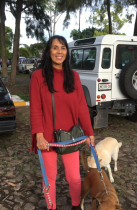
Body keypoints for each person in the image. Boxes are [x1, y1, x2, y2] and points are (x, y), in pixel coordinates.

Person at [29, 35, 95, 210]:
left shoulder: (73, 76)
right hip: (47, 137)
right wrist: (39, 137)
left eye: (63, 48)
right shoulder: (38, 76)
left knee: (73, 177)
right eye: (55, 47)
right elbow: (35, 108)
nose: (59, 52)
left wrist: (90, 133)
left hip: (70, 136)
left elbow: (82, 106)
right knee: (49, 177)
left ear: (67, 51)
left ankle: (75, 206)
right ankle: (52, 207)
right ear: (48, 51)